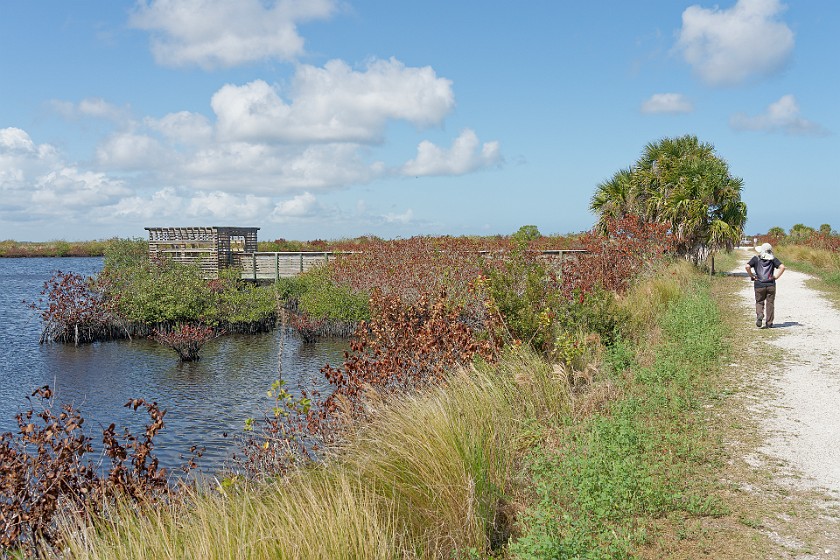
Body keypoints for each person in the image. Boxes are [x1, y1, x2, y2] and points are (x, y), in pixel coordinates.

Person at [745, 242, 785, 328]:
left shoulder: (756, 259)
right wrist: (776, 277)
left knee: (759, 301)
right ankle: (769, 323)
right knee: (770, 303)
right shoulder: (773, 259)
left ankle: (760, 314)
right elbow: (782, 267)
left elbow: (747, 266)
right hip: (771, 284)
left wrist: (752, 276)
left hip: (759, 284)